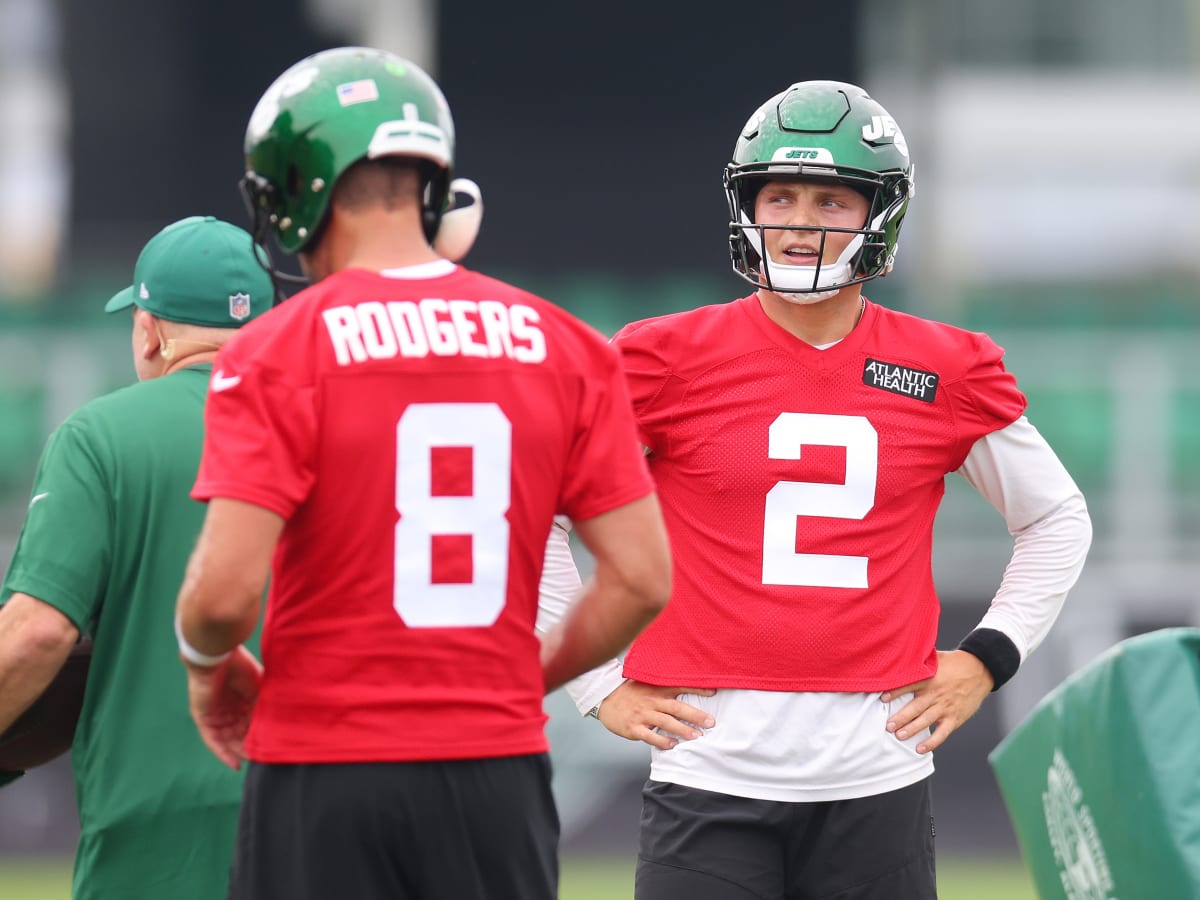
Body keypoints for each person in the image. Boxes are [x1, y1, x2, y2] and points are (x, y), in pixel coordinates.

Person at [559, 81, 1094, 900]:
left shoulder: (943, 367)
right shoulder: (661, 357)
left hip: (875, 774)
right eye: (780, 195)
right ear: (747, 203)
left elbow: (1057, 517)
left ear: (879, 214)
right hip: (709, 772)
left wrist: (988, 659)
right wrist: (595, 685)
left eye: (831, 199)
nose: (802, 220)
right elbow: (529, 513)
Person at [172, 46, 670, 900]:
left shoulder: (279, 347)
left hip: (324, 766)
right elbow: (642, 579)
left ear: (297, 189)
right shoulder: (566, 345)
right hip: (494, 770)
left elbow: (221, 597)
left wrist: (206, 670)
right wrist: (524, 676)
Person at [0, 215, 272, 899]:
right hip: (320, 814)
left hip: (155, 837)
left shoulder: (99, 437)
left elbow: (38, 631)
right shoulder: (333, 433)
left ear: (148, 329)